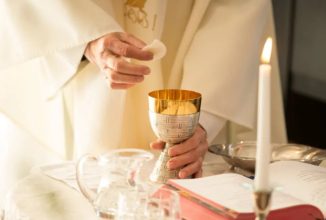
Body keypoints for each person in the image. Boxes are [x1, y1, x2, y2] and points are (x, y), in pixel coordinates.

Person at [0, 0, 286, 207]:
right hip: (78, 68)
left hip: (189, 56)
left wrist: (200, 119)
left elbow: (235, 9)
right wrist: (84, 35)